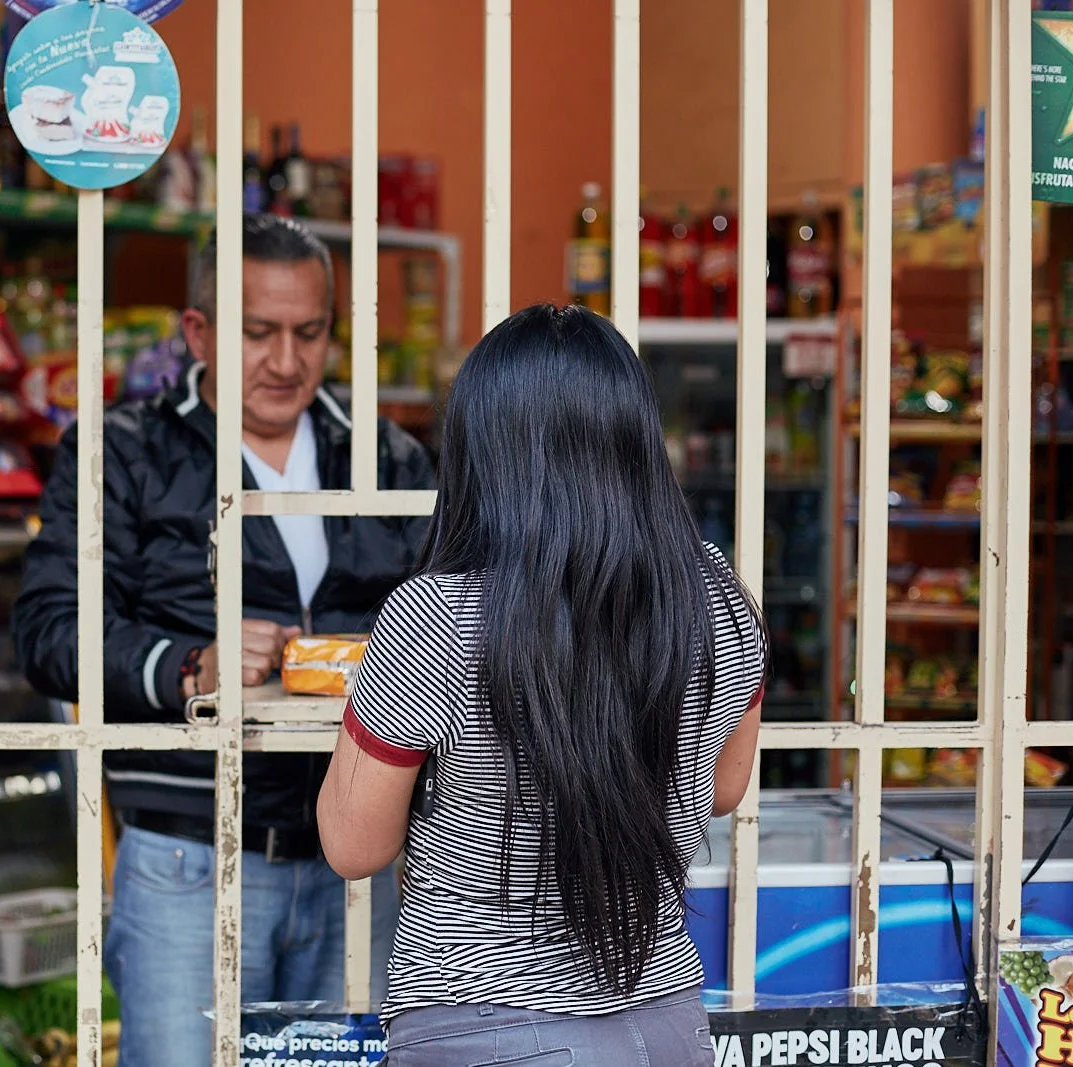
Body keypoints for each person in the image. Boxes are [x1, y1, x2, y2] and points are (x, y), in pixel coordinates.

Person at [13, 214, 434, 1065]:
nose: (285, 360)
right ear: (198, 332)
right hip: (190, 857)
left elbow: (456, 617)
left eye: (309, 332)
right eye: (258, 332)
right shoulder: (123, 452)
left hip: (360, 858)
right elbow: (49, 630)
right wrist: (187, 665)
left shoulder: (386, 457)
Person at [316, 303, 766, 1066]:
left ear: (479, 448)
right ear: (637, 441)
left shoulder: (435, 616)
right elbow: (723, 789)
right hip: (665, 1024)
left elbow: (353, 844)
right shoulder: (718, 598)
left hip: (480, 1024)